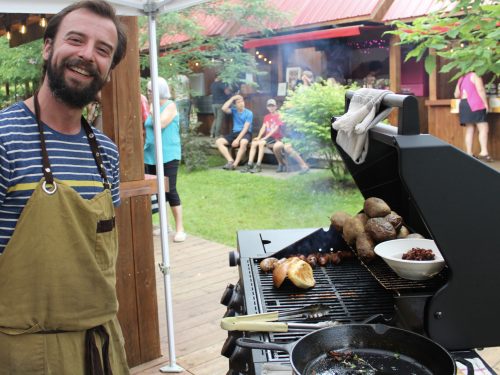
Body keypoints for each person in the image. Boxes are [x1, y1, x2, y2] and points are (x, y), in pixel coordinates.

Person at [0, 1, 129, 373]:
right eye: (76, 40)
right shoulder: (6, 138)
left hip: (102, 347)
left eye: (103, 49)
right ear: (48, 47)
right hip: (25, 355)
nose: (87, 55)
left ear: (109, 68)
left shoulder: (105, 152)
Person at [144, 77, 186, 242]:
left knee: (170, 190)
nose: (147, 93)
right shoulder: (151, 107)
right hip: (151, 155)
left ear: (158, 91)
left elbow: (160, 125)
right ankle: (165, 226)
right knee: (158, 190)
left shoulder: (170, 106)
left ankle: (180, 229)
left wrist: (153, 109)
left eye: (150, 91)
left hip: (168, 154)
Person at [454, 71, 493, 162]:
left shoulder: (461, 78)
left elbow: (456, 94)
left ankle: (469, 153)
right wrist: (486, 104)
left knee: (469, 129)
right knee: (483, 128)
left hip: (464, 104)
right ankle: (484, 152)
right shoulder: (475, 75)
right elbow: (480, 90)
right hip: (475, 103)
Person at [241, 98, 284, 173]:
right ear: (267, 107)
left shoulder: (279, 116)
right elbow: (263, 127)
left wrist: (264, 138)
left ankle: (258, 166)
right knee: (254, 143)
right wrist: (259, 137)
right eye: (269, 106)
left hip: (275, 138)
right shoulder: (266, 117)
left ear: (276, 106)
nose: (271, 108)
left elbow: (274, 129)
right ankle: (249, 164)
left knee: (261, 143)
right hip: (267, 138)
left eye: (273, 106)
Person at [216, 94, 253, 170]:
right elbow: (224, 108)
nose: (241, 103)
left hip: (246, 133)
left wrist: (237, 140)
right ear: (235, 104)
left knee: (243, 142)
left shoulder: (249, 113)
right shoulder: (234, 110)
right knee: (219, 141)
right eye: (238, 102)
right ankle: (230, 160)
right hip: (235, 133)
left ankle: (235, 164)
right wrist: (232, 98)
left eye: (242, 101)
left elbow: (246, 128)